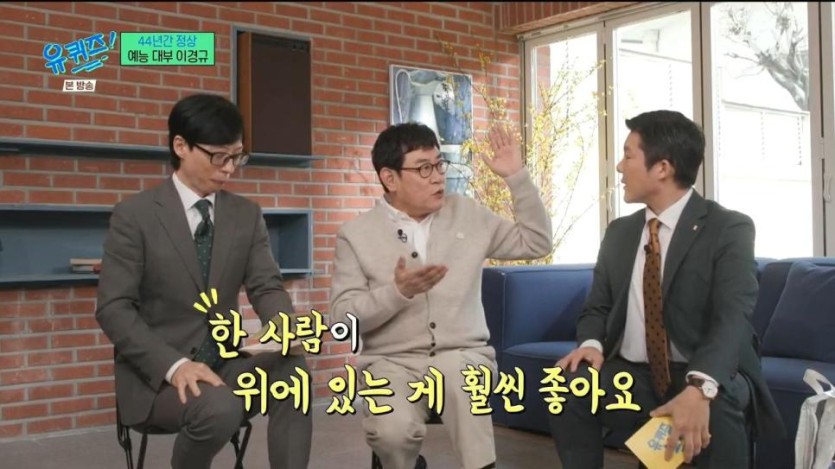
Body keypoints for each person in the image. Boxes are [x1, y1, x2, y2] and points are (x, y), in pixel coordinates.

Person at [548, 110, 784, 468]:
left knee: (718, 403)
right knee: (569, 387)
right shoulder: (620, 233)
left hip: (704, 369)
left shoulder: (728, 228)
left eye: (628, 155)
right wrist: (591, 345)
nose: (619, 167)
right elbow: (597, 307)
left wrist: (700, 387)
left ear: (662, 168)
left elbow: (732, 316)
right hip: (634, 375)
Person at [95, 93, 311, 469]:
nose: (229, 168)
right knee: (218, 406)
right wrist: (175, 365)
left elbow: (265, 285)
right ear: (181, 146)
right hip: (158, 378)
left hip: (226, 364)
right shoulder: (134, 215)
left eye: (237, 156)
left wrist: (284, 327)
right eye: (219, 156)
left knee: (294, 373)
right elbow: (113, 309)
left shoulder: (245, 214)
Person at [329, 121, 552, 469]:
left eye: (438, 165)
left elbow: (536, 242)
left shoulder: (468, 213)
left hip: (465, 355)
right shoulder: (356, 234)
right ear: (389, 178)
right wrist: (398, 292)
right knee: (391, 433)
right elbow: (343, 321)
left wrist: (517, 177)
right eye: (423, 168)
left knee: (459, 379)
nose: (437, 177)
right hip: (391, 363)